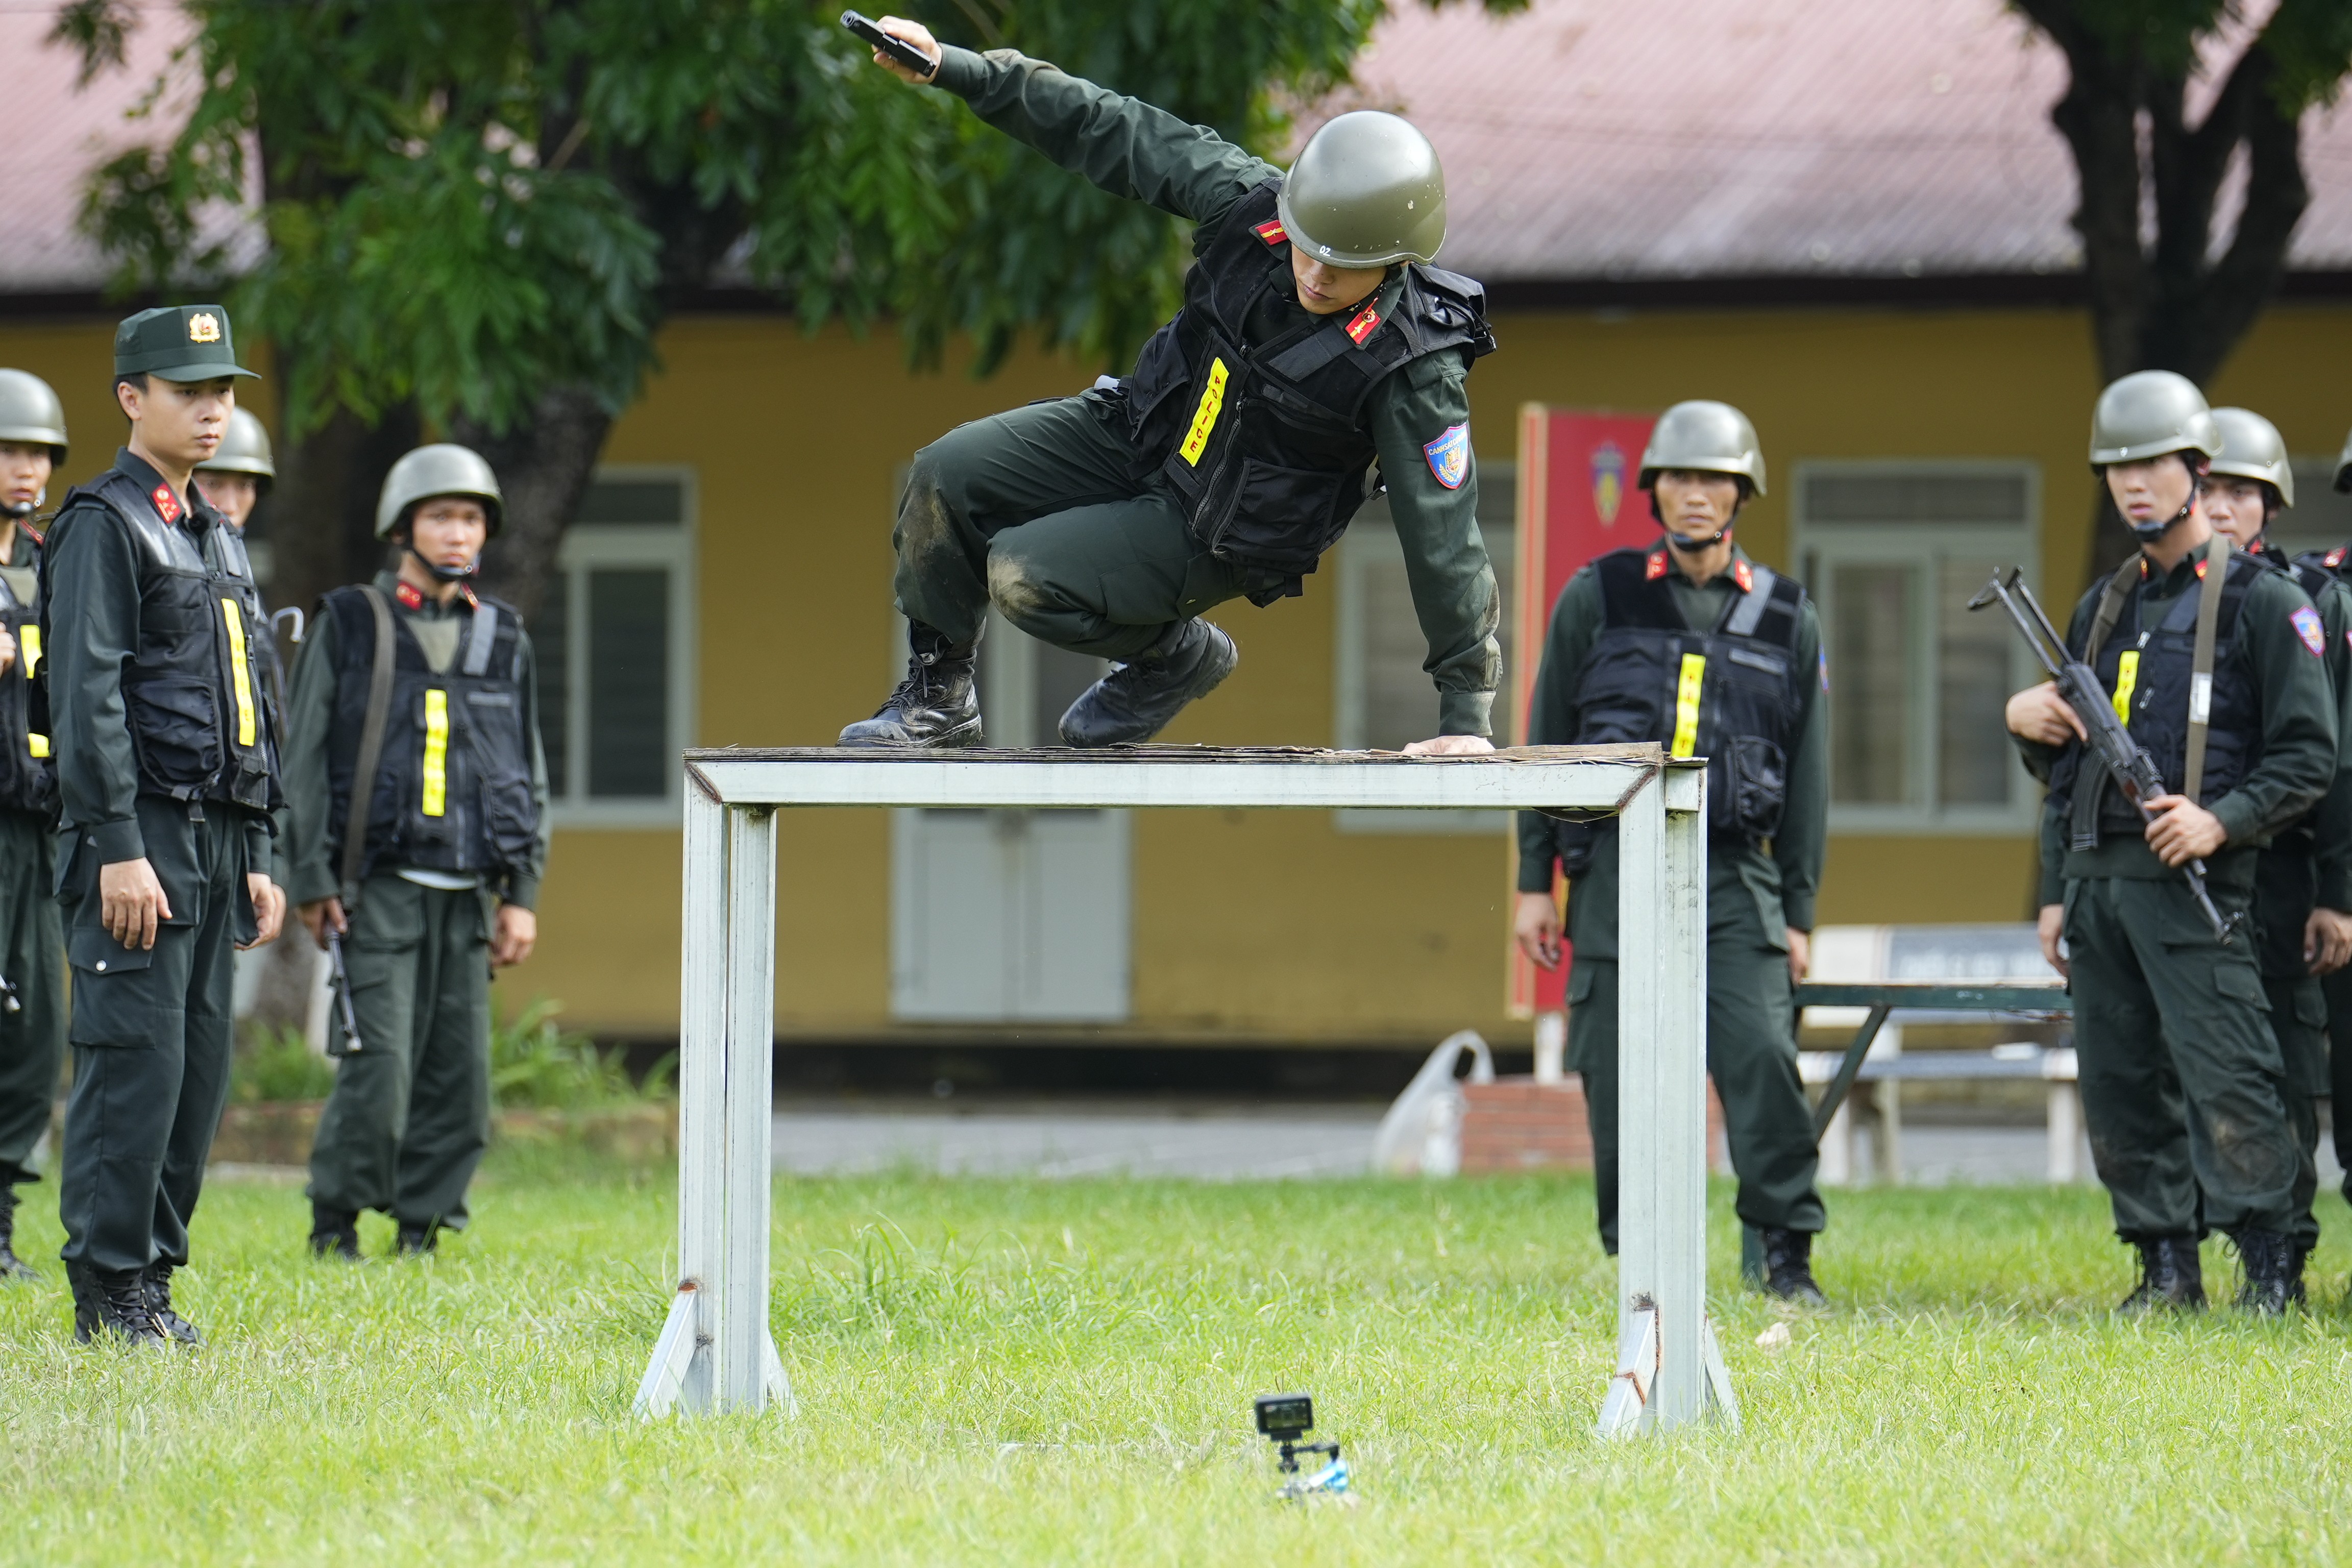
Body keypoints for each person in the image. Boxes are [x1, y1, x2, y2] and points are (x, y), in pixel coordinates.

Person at [839, 17, 1500, 757]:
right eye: (1308, 248)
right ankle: (939, 701)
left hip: (1212, 530)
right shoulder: (1251, 205)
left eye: (1341, 267)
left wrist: (1464, 716)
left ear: (1396, 262)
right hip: (1135, 430)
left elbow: (1444, 537)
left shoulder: (1414, 364)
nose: (1313, 275)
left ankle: (1175, 654)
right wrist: (956, 69)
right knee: (945, 475)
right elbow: (1110, 127)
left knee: (1024, 576)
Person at [2004, 372, 2334, 1315]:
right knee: (2120, 1083)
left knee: (2230, 1072)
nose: (2133, 484)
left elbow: (2309, 757)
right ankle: (2163, 1266)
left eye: (2152, 463)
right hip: (2101, 882)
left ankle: (2272, 1269)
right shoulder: (2102, 609)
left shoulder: (2266, 605)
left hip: (2197, 883)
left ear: (2197, 467)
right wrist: (2059, 878)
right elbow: (2071, 773)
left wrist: (2220, 819)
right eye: (2117, 468)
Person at [1512, 401, 1830, 1302]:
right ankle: (1642, 1260)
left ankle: (1784, 1254)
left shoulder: (1787, 616)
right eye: (1681, 478)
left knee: (1763, 1058)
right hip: (1616, 873)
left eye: (1715, 478)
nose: (1698, 494)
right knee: (1614, 1071)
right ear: (1654, 489)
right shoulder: (1601, 594)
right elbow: (1544, 743)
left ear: (1741, 492)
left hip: (1737, 878)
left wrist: (1798, 914)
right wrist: (1534, 883)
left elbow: (1810, 780)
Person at [41, 305, 286, 1345]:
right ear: (133, 399)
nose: (213, 409)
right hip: (141, 833)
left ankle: (153, 1280)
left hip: (219, 838)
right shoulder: (104, 523)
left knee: (192, 1078)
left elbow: (252, 698)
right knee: (133, 1063)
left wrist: (264, 850)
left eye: (223, 392)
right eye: (191, 392)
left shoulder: (213, 532)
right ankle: (108, 1291)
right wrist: (118, 848)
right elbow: (88, 697)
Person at [282, 444, 548, 1260]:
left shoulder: (504, 637)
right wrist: (314, 875)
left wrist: (522, 894)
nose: (458, 533)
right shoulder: (350, 621)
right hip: (379, 889)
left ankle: (424, 1229)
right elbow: (307, 758)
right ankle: (337, 1220)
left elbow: (529, 769)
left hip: (470, 892)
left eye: (471, 519)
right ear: (404, 527)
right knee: (380, 1066)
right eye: (441, 516)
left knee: (458, 1077)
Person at [2199, 407, 2352, 1276]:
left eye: (2241, 492)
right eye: (2209, 487)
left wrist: (2337, 890)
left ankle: (2282, 1256)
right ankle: (2192, 1253)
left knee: (2287, 1058)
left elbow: (2331, 763)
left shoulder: (2310, 601)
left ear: (2272, 503)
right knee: (2198, 1061)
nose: (2221, 507)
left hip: (2286, 872)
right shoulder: (2154, 600)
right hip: (2190, 870)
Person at [0, 369, 68, 1283]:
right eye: (10, 451)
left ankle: (4, 1215)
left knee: (37, 1025)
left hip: (43, 828)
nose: (26, 470)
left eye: (39, 454)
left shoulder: (52, 563)